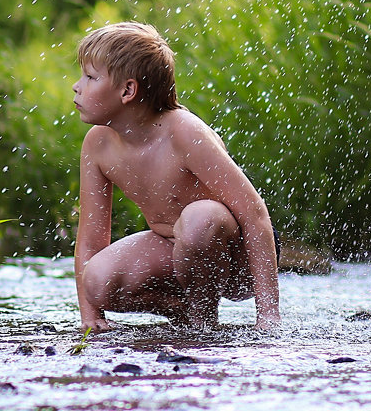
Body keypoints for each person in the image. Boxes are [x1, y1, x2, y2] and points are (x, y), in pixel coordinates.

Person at [71, 21, 280, 332]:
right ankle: (182, 312)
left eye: (90, 77)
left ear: (128, 90)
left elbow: (254, 213)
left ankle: (203, 324)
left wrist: (269, 317)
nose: (77, 85)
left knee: (199, 219)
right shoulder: (98, 144)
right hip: (174, 251)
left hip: (235, 259)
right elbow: (90, 240)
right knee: (98, 281)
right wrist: (91, 319)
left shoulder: (183, 132)